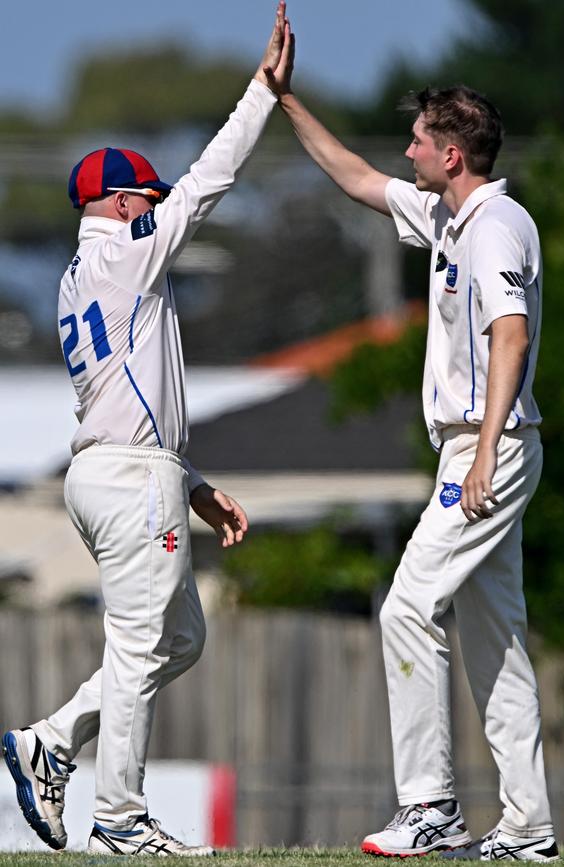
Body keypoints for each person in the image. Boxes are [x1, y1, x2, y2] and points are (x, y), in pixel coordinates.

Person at [2, 4, 293, 857]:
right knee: (139, 647)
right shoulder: (127, 250)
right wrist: (262, 93)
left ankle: (51, 738)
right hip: (129, 476)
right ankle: (121, 817)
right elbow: (208, 181)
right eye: (146, 197)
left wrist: (195, 486)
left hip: (117, 467)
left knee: (179, 639)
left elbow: (137, 391)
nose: (155, 206)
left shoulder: (73, 279)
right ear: (120, 200)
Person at [263, 32, 559, 863]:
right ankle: (529, 829)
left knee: (404, 606)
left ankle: (429, 806)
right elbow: (356, 178)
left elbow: (511, 335)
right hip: (478, 447)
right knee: (493, 639)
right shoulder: (446, 213)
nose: (407, 151)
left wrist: (481, 454)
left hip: (487, 448)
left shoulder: (496, 224)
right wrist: (287, 99)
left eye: (421, 141)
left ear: (453, 152)